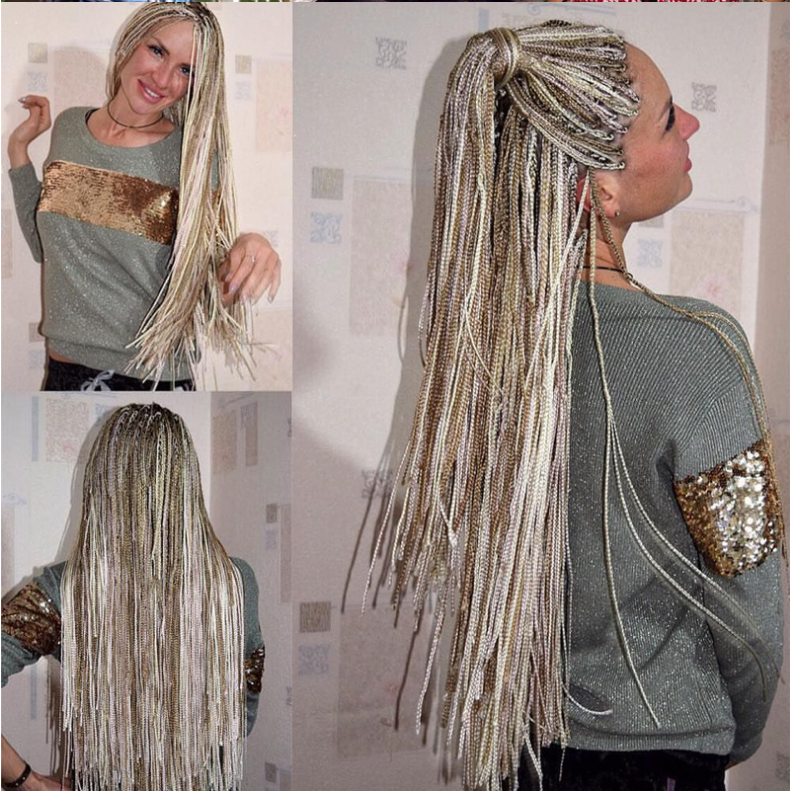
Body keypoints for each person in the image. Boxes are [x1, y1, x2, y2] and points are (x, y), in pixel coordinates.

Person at [366, 21, 785, 791]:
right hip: (662, 753)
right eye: (669, 118)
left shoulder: (481, 353)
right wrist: (739, 732)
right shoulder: (699, 350)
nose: (692, 125)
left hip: (523, 753)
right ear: (602, 187)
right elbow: (751, 598)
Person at [7, 3, 282, 390]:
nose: (164, 78)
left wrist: (250, 246)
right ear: (129, 43)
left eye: (186, 70)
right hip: (63, 372)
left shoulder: (192, 157)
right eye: (157, 51)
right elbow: (44, 247)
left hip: (151, 380)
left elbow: (210, 294)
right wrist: (18, 151)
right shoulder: (69, 127)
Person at [1, 403, 265, 791]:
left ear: (103, 483)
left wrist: (28, 781)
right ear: (186, 483)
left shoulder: (68, 588)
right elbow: (244, 706)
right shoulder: (234, 582)